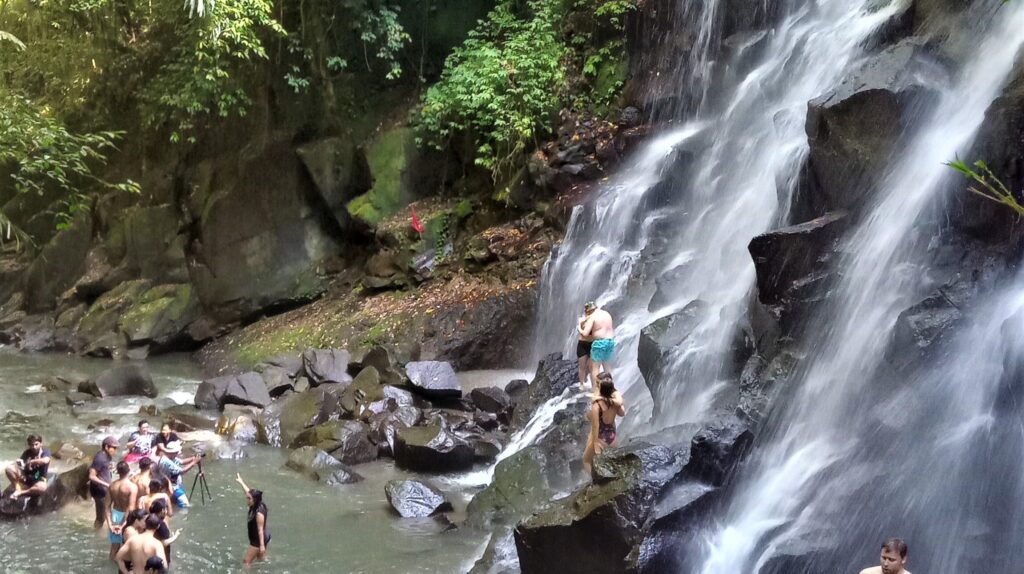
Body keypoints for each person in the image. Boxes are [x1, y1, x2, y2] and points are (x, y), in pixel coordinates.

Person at [582, 372, 625, 475]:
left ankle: (596, 481)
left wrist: (596, 442)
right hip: (612, 437)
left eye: (598, 383)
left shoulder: (597, 404)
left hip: (601, 437)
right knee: (611, 463)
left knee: (586, 461)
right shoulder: (614, 398)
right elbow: (621, 412)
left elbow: (596, 425)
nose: (596, 385)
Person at [578, 303, 615, 391]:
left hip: (599, 343)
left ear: (589, 311)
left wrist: (579, 327)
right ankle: (610, 388)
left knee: (595, 368)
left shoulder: (593, 317)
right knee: (607, 366)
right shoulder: (607, 314)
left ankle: (595, 390)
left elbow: (585, 333)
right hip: (610, 342)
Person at [108, 461, 139, 565]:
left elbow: (107, 507)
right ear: (128, 471)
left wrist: (110, 524)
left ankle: (110, 567)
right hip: (127, 519)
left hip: (115, 515)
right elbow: (130, 509)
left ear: (118, 472)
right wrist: (123, 526)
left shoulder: (112, 486)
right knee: (130, 546)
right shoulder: (132, 487)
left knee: (114, 546)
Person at [236, 473, 270, 567]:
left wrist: (261, 545)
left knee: (247, 561)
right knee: (260, 559)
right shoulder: (258, 503)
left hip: (258, 539)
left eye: (249, 499)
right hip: (265, 534)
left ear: (254, 500)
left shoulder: (258, 513)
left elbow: (259, 530)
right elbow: (247, 491)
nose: (247, 500)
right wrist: (241, 482)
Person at [4, 434, 50, 500]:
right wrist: (20, 465)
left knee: (43, 487)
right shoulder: (27, 453)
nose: (34, 447)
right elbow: (21, 465)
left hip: (39, 478)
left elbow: (45, 461)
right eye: (31, 445)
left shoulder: (45, 452)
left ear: (41, 444)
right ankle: (17, 488)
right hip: (26, 477)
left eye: (36, 444)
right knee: (9, 469)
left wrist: (31, 462)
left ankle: (22, 492)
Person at [156, 440, 200, 508]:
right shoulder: (166, 462)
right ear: (172, 452)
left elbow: (182, 462)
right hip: (172, 487)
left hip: (175, 485)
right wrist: (194, 462)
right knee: (185, 504)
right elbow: (181, 471)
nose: (177, 454)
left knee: (173, 504)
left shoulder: (170, 457)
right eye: (176, 453)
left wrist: (193, 458)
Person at [89, 436, 119, 529]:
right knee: (101, 518)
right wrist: (107, 485)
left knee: (108, 511)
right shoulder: (100, 458)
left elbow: (102, 468)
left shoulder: (107, 456)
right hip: (99, 491)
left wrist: (109, 468)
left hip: (105, 490)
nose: (115, 450)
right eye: (113, 448)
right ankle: (96, 534)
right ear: (106, 447)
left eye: (116, 448)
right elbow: (91, 476)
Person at [149, 499, 181, 567]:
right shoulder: (160, 524)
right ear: (162, 511)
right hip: (161, 555)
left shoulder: (150, 519)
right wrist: (175, 536)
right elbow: (163, 543)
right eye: (166, 509)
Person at [576, 302, 597, 391]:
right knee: (582, 366)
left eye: (593, 310)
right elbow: (583, 331)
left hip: (592, 344)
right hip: (582, 345)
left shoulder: (595, 320)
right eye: (591, 310)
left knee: (592, 367)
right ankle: (581, 383)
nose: (592, 312)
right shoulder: (582, 319)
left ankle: (594, 386)